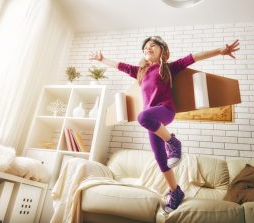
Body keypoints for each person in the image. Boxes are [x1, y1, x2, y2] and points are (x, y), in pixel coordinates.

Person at [89, 36, 239, 213]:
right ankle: (176, 191)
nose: (148, 48)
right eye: (145, 47)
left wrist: (219, 51)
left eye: (152, 46)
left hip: (165, 111)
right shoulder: (140, 72)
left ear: (162, 50)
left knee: (142, 117)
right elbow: (120, 66)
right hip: (151, 120)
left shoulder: (168, 68)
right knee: (160, 159)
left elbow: (194, 57)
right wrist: (102, 59)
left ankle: (173, 142)